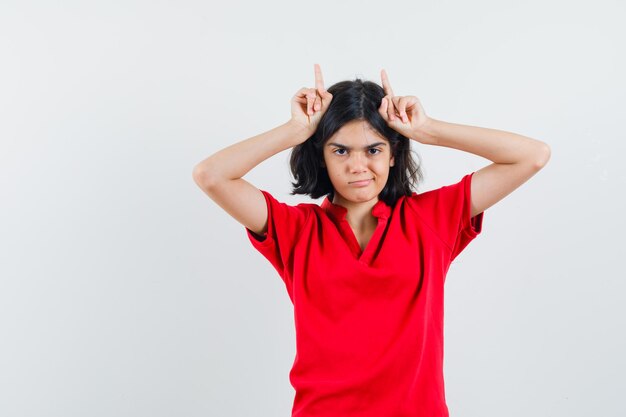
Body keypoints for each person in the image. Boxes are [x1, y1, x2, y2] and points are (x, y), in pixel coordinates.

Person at [192, 64, 551, 417]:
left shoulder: (431, 219)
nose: (358, 166)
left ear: (394, 153)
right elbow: (211, 176)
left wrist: (428, 129)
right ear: (322, 156)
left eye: (373, 150)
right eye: (340, 150)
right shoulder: (296, 231)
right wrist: (294, 131)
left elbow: (532, 156)